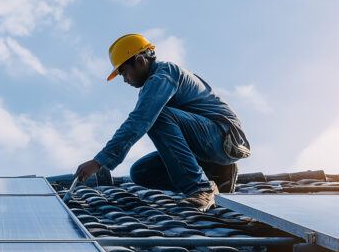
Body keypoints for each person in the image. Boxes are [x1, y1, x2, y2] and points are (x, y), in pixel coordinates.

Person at [74, 34, 251, 211]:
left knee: (157, 117)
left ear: (141, 61)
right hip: (207, 142)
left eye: (124, 72)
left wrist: (98, 162)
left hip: (225, 137)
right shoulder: (156, 82)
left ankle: (200, 188)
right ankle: (216, 173)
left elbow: (139, 121)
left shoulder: (162, 76)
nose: (125, 79)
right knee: (141, 172)